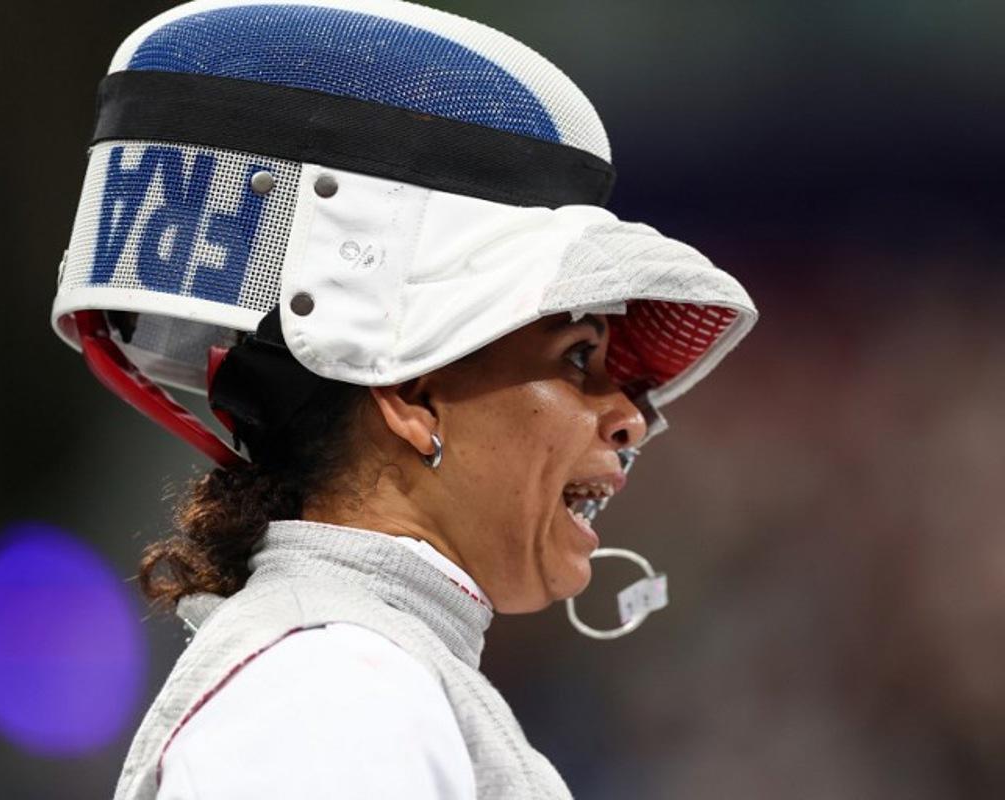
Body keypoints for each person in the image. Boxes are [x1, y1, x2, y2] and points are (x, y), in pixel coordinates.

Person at [49, 1, 757, 797]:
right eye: (579, 355)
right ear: (414, 396)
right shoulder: (334, 692)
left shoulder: (358, 673)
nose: (632, 416)